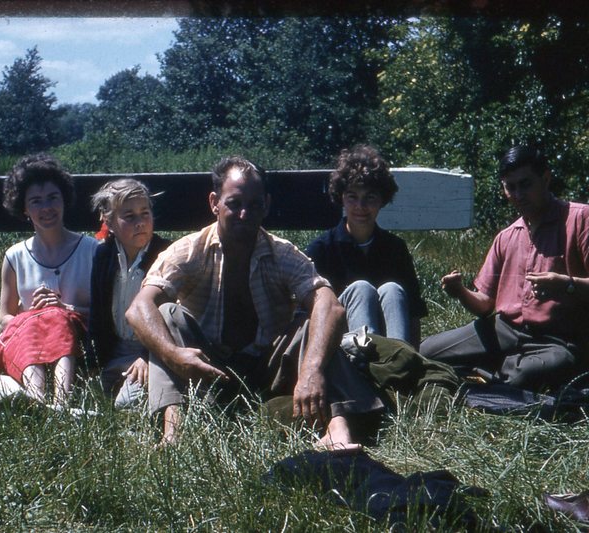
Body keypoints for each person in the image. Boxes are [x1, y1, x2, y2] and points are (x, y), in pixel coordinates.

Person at [126, 156, 383, 447]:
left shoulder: (282, 253)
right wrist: (175, 355)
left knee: (318, 322)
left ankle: (338, 430)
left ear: (267, 205)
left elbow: (330, 305)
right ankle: (175, 430)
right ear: (215, 203)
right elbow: (138, 308)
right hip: (206, 368)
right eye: (235, 204)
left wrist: (311, 370)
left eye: (254, 205)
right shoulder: (188, 251)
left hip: (267, 367)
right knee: (168, 313)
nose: (244, 214)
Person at [420, 145, 589, 391]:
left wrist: (566, 284)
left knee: (526, 376)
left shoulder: (579, 219)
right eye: (510, 187)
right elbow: (485, 304)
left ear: (546, 179)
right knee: (426, 351)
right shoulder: (507, 236)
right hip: (505, 330)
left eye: (526, 184)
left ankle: (490, 371)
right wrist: (460, 292)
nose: (518, 194)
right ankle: (495, 371)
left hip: (560, 339)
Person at [0, 153, 99, 405]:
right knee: (35, 319)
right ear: (24, 208)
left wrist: (62, 310)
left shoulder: (92, 250)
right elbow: (4, 318)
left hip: (81, 344)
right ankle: (38, 399)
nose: (46, 208)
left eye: (53, 198)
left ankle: (61, 400)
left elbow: (106, 312)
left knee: (56, 317)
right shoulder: (15, 256)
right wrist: (34, 316)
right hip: (31, 341)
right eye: (36, 201)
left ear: (64, 199)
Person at [306, 145, 427, 347]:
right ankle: (365, 364)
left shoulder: (395, 248)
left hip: (391, 338)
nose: (361, 207)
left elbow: (413, 312)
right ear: (341, 198)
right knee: (361, 289)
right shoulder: (322, 249)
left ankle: (401, 362)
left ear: (382, 200)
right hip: (341, 344)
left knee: (392, 290)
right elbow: (310, 314)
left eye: (370, 197)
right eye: (352, 197)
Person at [89, 179, 171, 408]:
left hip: (153, 349)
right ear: (110, 222)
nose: (140, 223)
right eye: (129, 216)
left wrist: (147, 355)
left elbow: (168, 315)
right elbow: (98, 313)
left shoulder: (165, 254)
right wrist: (92, 361)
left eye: (144, 213)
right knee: (89, 397)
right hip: (115, 348)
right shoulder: (103, 255)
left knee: (126, 405)